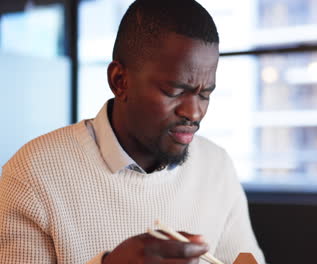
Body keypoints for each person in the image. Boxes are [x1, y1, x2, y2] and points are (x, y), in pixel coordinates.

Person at [0, 0, 265, 263]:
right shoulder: (32, 175)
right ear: (120, 81)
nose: (194, 113)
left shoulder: (216, 166)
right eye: (174, 91)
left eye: (205, 94)